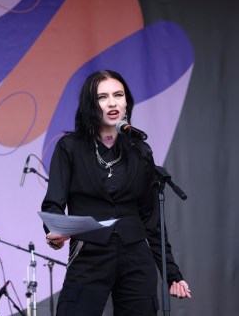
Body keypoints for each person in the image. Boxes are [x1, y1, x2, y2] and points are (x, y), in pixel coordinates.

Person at [41, 70, 191, 315]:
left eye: (118, 95)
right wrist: (54, 232)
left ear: (126, 102)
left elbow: (152, 220)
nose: (112, 102)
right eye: (103, 97)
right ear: (91, 105)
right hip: (89, 251)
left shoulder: (140, 150)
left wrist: (172, 274)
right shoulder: (70, 147)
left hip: (135, 254)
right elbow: (53, 204)